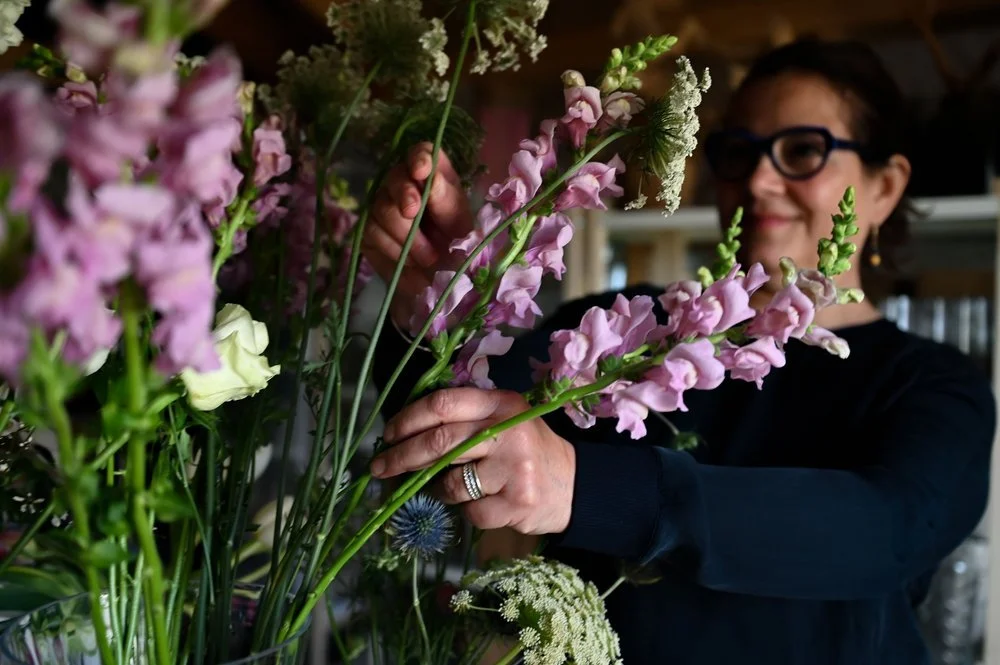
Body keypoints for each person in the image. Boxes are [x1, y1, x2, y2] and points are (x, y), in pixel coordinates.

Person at [363, 38, 997, 664]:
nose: (758, 179)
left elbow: (882, 531)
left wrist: (580, 487)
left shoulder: (934, 385)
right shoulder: (633, 326)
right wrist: (431, 295)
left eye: (803, 150)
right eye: (735, 152)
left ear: (885, 186)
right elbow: (448, 419)